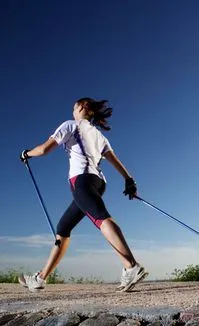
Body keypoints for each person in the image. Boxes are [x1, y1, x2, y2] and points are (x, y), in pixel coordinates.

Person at [19, 98, 148, 292]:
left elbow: (44, 149)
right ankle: (40, 278)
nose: (72, 110)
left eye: (73, 107)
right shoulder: (98, 135)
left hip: (81, 182)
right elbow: (114, 160)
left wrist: (27, 153)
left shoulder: (70, 125)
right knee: (63, 227)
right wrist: (129, 180)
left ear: (82, 107)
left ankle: (131, 266)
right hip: (98, 182)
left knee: (100, 218)